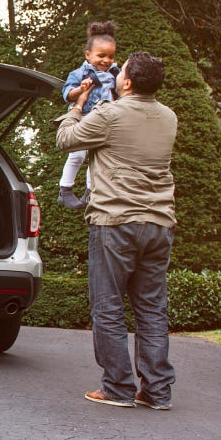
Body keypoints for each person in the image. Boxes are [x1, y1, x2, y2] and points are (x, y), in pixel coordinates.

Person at [55, 52, 177, 410]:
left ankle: (118, 388)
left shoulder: (109, 114)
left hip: (115, 223)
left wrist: (77, 105)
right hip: (159, 224)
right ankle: (156, 392)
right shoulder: (169, 117)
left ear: (127, 83)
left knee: (108, 307)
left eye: (120, 71)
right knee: (152, 309)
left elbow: (66, 140)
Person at [58, 22, 120, 209]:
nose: (106, 61)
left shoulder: (115, 74)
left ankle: (89, 192)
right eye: (101, 56)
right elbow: (66, 94)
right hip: (83, 117)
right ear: (88, 55)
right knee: (77, 156)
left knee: (97, 159)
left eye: (110, 56)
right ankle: (65, 190)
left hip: (103, 120)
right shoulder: (80, 73)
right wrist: (80, 90)